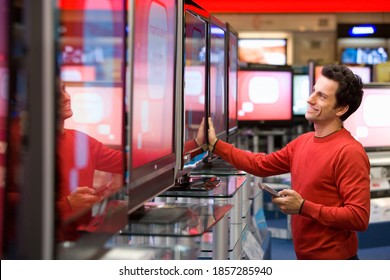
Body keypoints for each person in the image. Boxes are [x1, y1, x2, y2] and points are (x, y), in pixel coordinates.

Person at [207, 64, 370, 260]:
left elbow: (359, 217)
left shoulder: (350, 152)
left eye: (322, 96)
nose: (310, 99)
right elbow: (260, 164)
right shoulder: (303, 141)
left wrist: (302, 207)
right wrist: (215, 145)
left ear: (342, 109)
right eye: (313, 91)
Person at [56, 80, 124, 241]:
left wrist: (195, 144)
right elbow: (12, 202)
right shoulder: (26, 143)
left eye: (64, 89)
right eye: (56, 93)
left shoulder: (80, 140)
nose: (66, 97)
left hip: (80, 239)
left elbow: (128, 162)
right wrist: (66, 204)